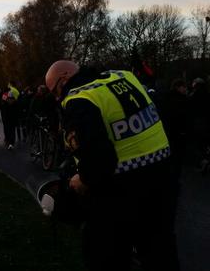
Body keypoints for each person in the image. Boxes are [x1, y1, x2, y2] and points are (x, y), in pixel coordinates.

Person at [45, 60, 179, 271]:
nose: (56, 97)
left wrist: (82, 179)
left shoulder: (78, 99)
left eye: (54, 91)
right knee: (160, 252)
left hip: (121, 190)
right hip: (164, 176)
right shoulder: (123, 76)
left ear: (63, 79)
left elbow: (98, 162)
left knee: (103, 256)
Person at [188, 77, 210, 172]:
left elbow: (189, 108)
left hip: (197, 121)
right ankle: (206, 159)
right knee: (205, 142)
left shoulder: (193, 95)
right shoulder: (207, 94)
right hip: (206, 121)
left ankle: (201, 161)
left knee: (197, 143)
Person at [1, 83, 20, 150]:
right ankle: (12, 142)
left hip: (6, 118)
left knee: (8, 129)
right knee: (12, 130)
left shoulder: (5, 101)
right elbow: (17, 110)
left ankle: (8, 140)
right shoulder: (15, 102)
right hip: (13, 118)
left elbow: (3, 109)